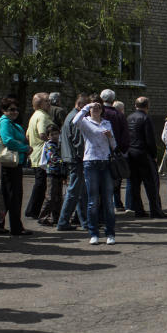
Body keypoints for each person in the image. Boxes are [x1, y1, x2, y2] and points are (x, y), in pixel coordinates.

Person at [73, 100, 117, 245]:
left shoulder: (106, 123)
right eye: (94, 108)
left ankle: (110, 233)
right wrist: (86, 107)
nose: (96, 109)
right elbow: (75, 121)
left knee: (108, 201)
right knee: (92, 201)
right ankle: (93, 233)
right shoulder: (85, 122)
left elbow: (114, 145)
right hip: (90, 162)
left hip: (105, 161)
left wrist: (110, 136)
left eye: (98, 107)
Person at [0, 98, 32, 236]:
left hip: (13, 163)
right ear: (4, 110)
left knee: (7, 195)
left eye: (16, 109)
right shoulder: (5, 122)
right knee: (13, 196)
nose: (15, 112)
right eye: (11, 109)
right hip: (10, 163)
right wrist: (25, 148)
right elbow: (8, 141)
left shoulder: (10, 122)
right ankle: (15, 227)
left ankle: (0, 224)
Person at [126, 96, 164, 218]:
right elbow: (150, 139)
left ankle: (138, 209)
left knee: (135, 184)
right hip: (143, 154)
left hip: (132, 153)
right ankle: (155, 210)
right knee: (151, 183)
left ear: (135, 105)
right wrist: (154, 155)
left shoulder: (129, 118)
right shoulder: (146, 118)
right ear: (147, 106)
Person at [57, 94, 90, 231]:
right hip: (75, 159)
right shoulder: (76, 118)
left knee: (80, 192)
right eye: (87, 107)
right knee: (74, 191)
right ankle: (63, 221)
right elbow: (78, 142)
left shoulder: (69, 116)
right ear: (81, 105)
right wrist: (84, 157)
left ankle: (85, 222)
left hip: (70, 157)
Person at [24, 92, 52, 218]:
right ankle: (33, 210)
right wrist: (52, 142)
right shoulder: (43, 116)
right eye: (46, 101)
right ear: (40, 103)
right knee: (41, 184)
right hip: (42, 155)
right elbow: (42, 133)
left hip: (35, 153)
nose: (49, 103)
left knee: (40, 183)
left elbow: (27, 135)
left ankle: (32, 210)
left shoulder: (34, 115)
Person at [37, 124, 65, 225]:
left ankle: (56, 217)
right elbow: (52, 158)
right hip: (51, 173)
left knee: (58, 197)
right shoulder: (49, 145)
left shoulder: (60, 144)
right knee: (50, 196)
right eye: (52, 134)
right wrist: (64, 161)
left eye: (56, 133)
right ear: (48, 136)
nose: (55, 136)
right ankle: (42, 217)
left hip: (59, 173)